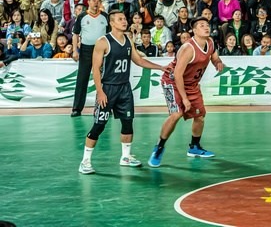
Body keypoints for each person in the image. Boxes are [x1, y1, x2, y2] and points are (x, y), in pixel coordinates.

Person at [79, 10, 164, 174]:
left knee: (127, 123)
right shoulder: (103, 42)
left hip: (124, 88)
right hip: (108, 88)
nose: (124, 21)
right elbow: (95, 69)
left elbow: (139, 60)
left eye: (125, 18)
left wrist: (161, 67)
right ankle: (85, 161)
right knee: (99, 125)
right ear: (112, 23)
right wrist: (100, 92)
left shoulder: (128, 40)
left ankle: (125, 157)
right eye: (120, 19)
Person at [148, 18, 225, 167]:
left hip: (192, 84)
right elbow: (177, 75)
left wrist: (218, 63)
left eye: (207, 25)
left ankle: (194, 147)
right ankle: (159, 147)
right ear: (194, 31)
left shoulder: (210, 42)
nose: (206, 27)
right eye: (202, 26)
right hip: (172, 82)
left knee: (200, 116)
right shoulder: (188, 48)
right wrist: (184, 98)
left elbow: (215, 57)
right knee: (176, 114)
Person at [71, 0, 110, 117]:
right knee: (82, 78)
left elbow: (110, 34)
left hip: (102, 50)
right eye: (93, 0)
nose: (96, 3)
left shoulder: (105, 16)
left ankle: (104, 106)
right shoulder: (82, 16)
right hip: (86, 50)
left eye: (98, 1)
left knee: (104, 78)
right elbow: (75, 34)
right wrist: (75, 50)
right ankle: (77, 108)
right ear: (88, 2)